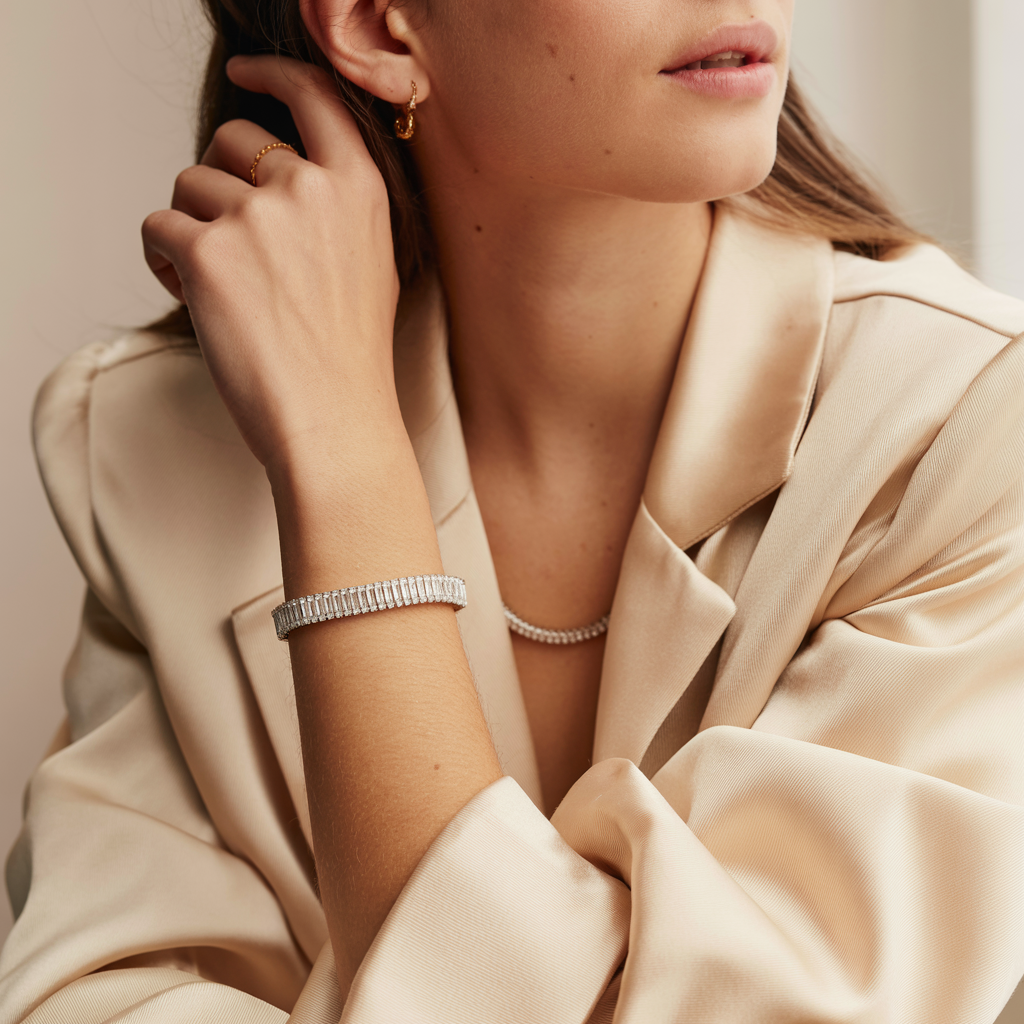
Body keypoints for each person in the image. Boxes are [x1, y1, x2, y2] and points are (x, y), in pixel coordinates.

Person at [2, 0, 1023, 1020]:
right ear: (378, 25)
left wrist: (346, 459)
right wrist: (334, 447)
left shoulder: (960, 430)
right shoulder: (160, 451)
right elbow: (92, 998)